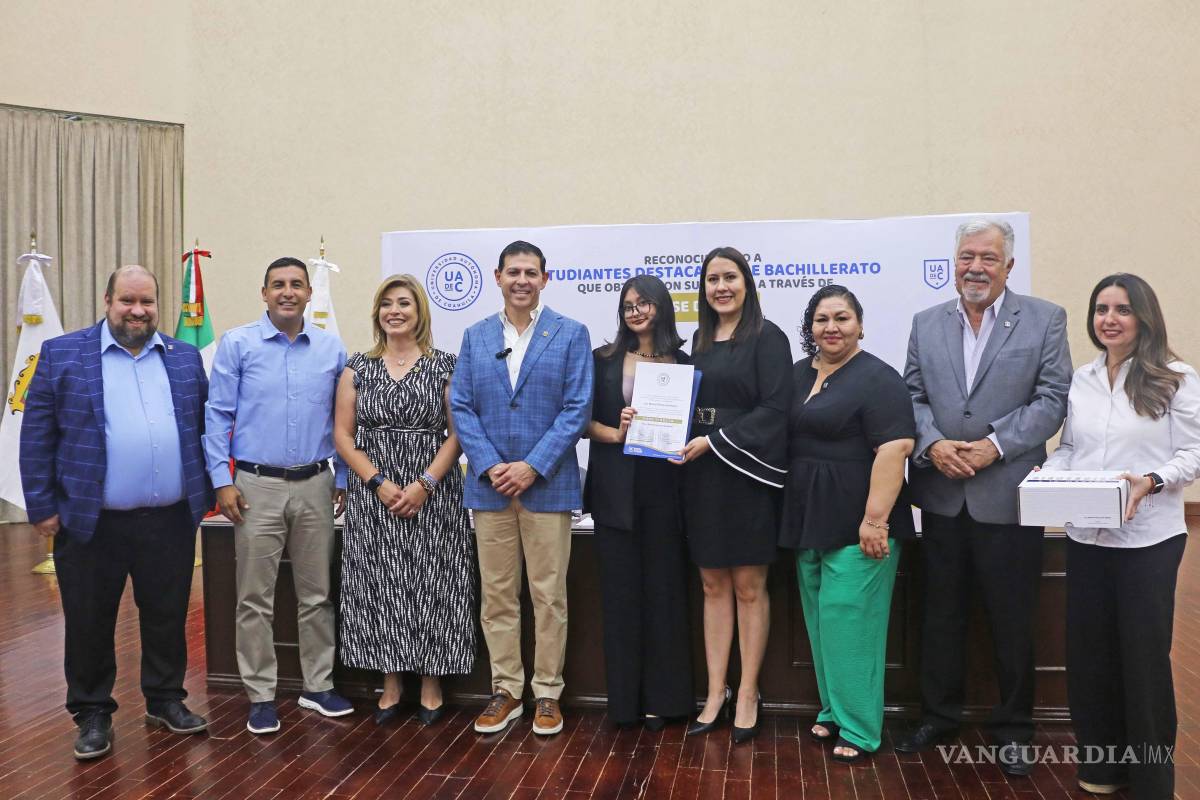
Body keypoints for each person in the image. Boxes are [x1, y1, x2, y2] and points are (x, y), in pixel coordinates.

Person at [19, 265, 214, 760]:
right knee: (89, 620)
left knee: (167, 615)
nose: (138, 311)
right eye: (127, 300)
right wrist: (41, 505)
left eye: (147, 301)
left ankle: (165, 700)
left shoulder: (185, 358)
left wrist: (209, 494)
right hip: (90, 520)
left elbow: (203, 429)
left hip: (169, 519)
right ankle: (91, 713)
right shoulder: (63, 354)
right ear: (107, 301)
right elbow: (37, 435)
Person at [898, 219, 1071, 776]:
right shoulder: (926, 322)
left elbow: (1052, 399)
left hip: (1009, 498)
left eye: (988, 258)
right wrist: (933, 443)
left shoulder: (1045, 318)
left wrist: (994, 446)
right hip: (942, 495)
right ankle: (938, 717)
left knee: (1012, 620)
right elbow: (911, 396)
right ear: (954, 264)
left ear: (1009, 266)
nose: (976, 267)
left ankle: (1015, 729)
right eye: (967, 257)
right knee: (939, 616)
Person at [1042, 274, 1200, 798]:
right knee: (1090, 656)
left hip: (1149, 539)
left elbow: (1194, 454)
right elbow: (1071, 449)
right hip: (1087, 537)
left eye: (1123, 309)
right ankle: (1103, 768)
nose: (1109, 319)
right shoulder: (1082, 379)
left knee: (1143, 658)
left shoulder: (1175, 377)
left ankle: (1152, 779)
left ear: (1144, 317)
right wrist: (1047, 476)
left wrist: (1151, 480)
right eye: (1101, 309)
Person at [203, 256, 352, 735]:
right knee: (254, 597)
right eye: (278, 284)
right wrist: (221, 480)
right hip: (254, 487)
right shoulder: (238, 344)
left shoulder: (331, 349)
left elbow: (343, 420)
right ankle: (261, 695)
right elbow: (217, 415)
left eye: (296, 284)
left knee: (317, 594)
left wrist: (344, 479)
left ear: (309, 293)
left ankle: (318, 686)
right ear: (264, 293)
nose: (288, 292)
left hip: (316, 484)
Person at [449, 240, 593, 736]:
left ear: (545, 279)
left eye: (531, 272)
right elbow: (461, 406)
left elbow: (577, 408)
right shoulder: (475, 336)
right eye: (513, 272)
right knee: (497, 596)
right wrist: (491, 465)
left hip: (547, 486)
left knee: (549, 596)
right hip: (491, 488)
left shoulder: (571, 333)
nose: (522, 280)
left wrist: (532, 466)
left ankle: (547, 693)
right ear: (498, 277)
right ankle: (506, 690)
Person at [779, 285, 915, 762]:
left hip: (861, 523)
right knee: (821, 622)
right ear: (810, 327)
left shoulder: (879, 378)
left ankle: (859, 728)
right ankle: (833, 710)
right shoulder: (797, 373)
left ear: (860, 324)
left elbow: (896, 448)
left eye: (842, 318)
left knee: (851, 623)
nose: (831, 328)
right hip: (807, 518)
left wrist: (875, 520)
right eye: (822, 319)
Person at [333, 274, 475, 727]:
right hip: (374, 494)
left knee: (435, 583)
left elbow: (458, 434)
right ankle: (391, 682)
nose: (395, 311)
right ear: (377, 313)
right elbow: (342, 435)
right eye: (387, 304)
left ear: (419, 313)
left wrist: (424, 484)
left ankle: (432, 683)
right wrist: (377, 482)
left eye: (404, 304)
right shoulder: (357, 367)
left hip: (433, 492)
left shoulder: (446, 366)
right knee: (381, 584)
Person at [674, 246, 792, 744]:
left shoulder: (768, 337)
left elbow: (776, 409)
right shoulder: (698, 341)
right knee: (711, 585)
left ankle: (747, 692)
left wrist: (715, 441)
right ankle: (714, 691)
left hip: (748, 474)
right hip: (701, 476)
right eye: (712, 279)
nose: (721, 287)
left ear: (747, 283)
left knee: (748, 586)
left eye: (730, 277)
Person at [583, 275, 694, 731]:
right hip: (616, 492)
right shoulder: (602, 360)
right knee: (621, 599)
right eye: (628, 305)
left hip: (668, 491)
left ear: (662, 307)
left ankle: (665, 702)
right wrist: (616, 432)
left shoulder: (685, 364)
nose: (635, 311)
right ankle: (625, 704)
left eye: (644, 303)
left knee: (666, 597)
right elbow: (579, 420)